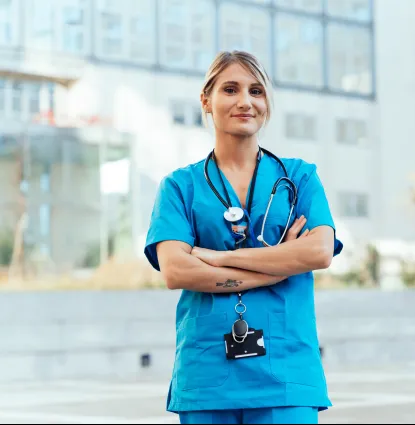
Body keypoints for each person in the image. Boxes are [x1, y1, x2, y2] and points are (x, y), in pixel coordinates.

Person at [144, 50, 343, 425]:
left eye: (256, 91)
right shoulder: (180, 187)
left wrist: (216, 258)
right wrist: (279, 266)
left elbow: (319, 250)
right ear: (206, 100)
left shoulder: (299, 178)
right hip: (206, 375)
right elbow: (176, 270)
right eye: (230, 89)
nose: (245, 101)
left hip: (286, 373)